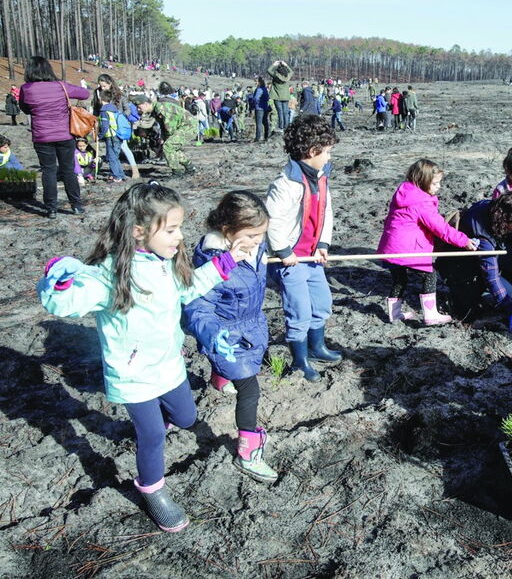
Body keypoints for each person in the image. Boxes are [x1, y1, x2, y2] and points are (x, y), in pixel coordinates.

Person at [37, 182, 250, 532]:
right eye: (170, 229)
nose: (179, 237)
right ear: (138, 232)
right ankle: (153, 490)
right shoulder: (109, 274)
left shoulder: (165, 264)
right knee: (151, 436)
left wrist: (225, 262)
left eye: (179, 228)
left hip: (169, 365)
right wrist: (59, 281)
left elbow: (190, 289)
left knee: (186, 417)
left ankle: (157, 422)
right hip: (133, 376)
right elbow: (67, 303)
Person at [182, 191, 278, 483]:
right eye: (252, 235)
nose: (258, 241)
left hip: (250, 324)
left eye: (262, 234)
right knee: (250, 391)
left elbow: (257, 269)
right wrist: (212, 334)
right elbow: (198, 308)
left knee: (238, 368)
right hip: (226, 332)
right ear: (227, 231)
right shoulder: (212, 264)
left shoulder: (252, 247)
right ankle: (248, 453)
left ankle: (219, 378)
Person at [266, 114, 341, 383]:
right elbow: (271, 221)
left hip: (312, 257)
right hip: (291, 260)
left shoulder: (321, 176)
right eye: (328, 151)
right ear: (313, 151)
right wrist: (283, 252)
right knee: (299, 310)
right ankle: (300, 360)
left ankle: (317, 346)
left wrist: (323, 243)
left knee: (321, 303)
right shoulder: (285, 184)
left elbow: (326, 211)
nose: (330, 157)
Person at [376, 159, 478, 325]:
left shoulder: (404, 193)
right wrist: (463, 240)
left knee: (399, 280)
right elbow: (441, 228)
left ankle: (394, 314)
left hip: (391, 247)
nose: (439, 187)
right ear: (423, 181)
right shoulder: (422, 202)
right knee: (430, 275)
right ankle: (430, 315)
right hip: (408, 249)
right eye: (435, 183)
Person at [435, 193, 512, 334]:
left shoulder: (490, 206)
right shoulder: (482, 237)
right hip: (457, 269)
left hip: (473, 262)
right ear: (507, 221)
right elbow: (491, 276)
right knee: (468, 311)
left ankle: (509, 289)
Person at [17, 55, 89, 218]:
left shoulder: (26, 89)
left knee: (48, 171)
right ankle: (76, 206)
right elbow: (85, 94)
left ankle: (51, 209)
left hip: (42, 136)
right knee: (68, 170)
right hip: (64, 135)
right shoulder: (60, 86)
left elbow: (25, 108)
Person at [92, 74, 140, 178]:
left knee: (123, 147)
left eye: (104, 86)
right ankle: (116, 172)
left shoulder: (119, 96)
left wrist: (120, 117)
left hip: (120, 126)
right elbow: (96, 109)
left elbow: (128, 109)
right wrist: (95, 120)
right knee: (111, 150)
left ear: (110, 84)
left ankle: (134, 170)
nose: (102, 88)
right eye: (100, 86)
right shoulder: (98, 94)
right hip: (107, 126)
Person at [97, 89, 128, 182]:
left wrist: (100, 135)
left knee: (111, 157)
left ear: (100, 99)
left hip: (111, 136)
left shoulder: (104, 111)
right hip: (118, 135)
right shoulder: (114, 109)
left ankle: (116, 176)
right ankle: (121, 175)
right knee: (115, 156)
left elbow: (105, 126)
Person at [267, 60, 293, 132]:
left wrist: (274, 64)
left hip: (277, 96)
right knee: (285, 112)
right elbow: (291, 72)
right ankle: (286, 126)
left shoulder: (275, 76)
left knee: (280, 112)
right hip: (286, 96)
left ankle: (281, 126)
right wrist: (286, 65)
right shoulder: (287, 76)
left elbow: (268, 70)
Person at [252, 77, 271, 142]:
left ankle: (258, 137)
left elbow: (256, 98)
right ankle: (266, 136)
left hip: (259, 108)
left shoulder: (259, 89)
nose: (255, 83)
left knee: (259, 123)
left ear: (259, 82)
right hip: (265, 107)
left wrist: (254, 103)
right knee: (265, 122)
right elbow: (267, 98)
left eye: (256, 82)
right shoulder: (265, 89)